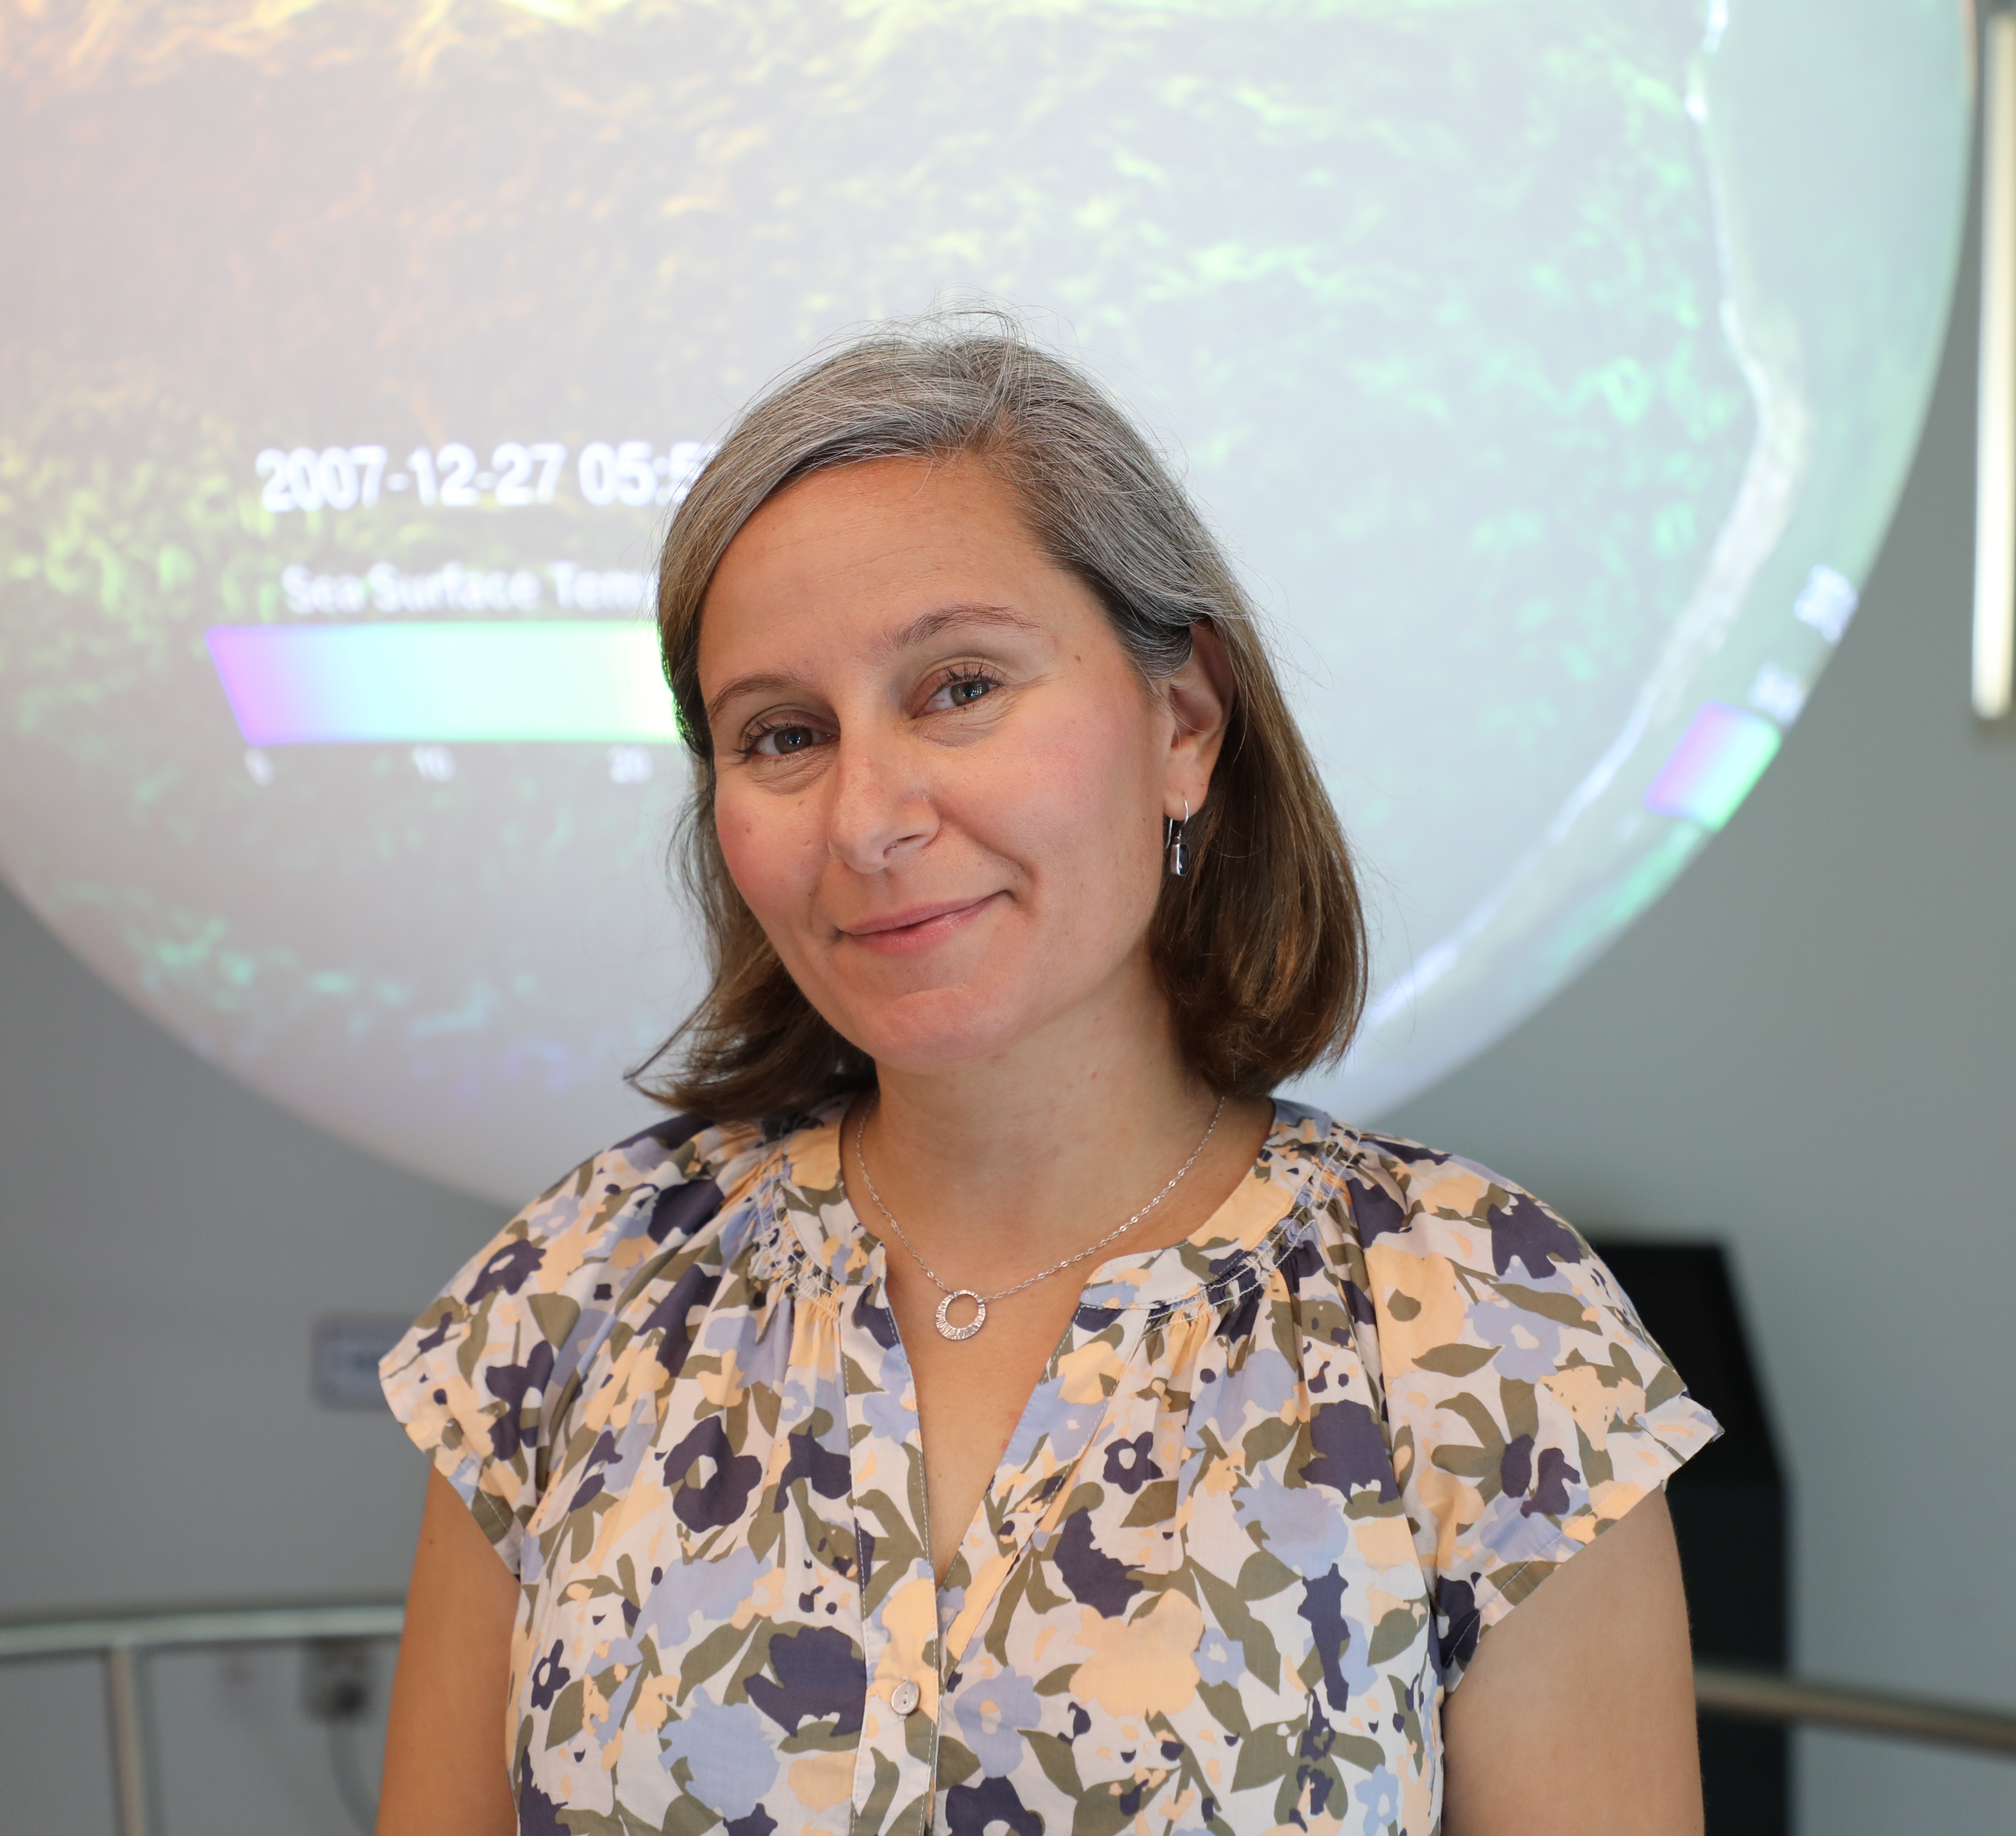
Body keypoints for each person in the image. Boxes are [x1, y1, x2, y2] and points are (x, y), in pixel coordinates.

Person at [376, 313, 1718, 1836]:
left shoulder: (1489, 1335)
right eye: (784, 734)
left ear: (1184, 721)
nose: (867, 819)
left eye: (959, 687)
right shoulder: (573, 1298)